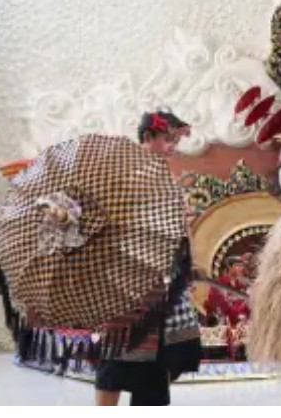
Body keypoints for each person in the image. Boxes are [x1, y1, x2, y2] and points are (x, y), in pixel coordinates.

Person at [94, 110, 202, 406]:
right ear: (147, 138)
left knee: (161, 360)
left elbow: (178, 226)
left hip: (165, 281)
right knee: (116, 359)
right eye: (167, 139)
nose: (172, 146)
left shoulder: (163, 175)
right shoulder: (125, 172)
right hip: (128, 278)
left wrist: (189, 261)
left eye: (175, 140)